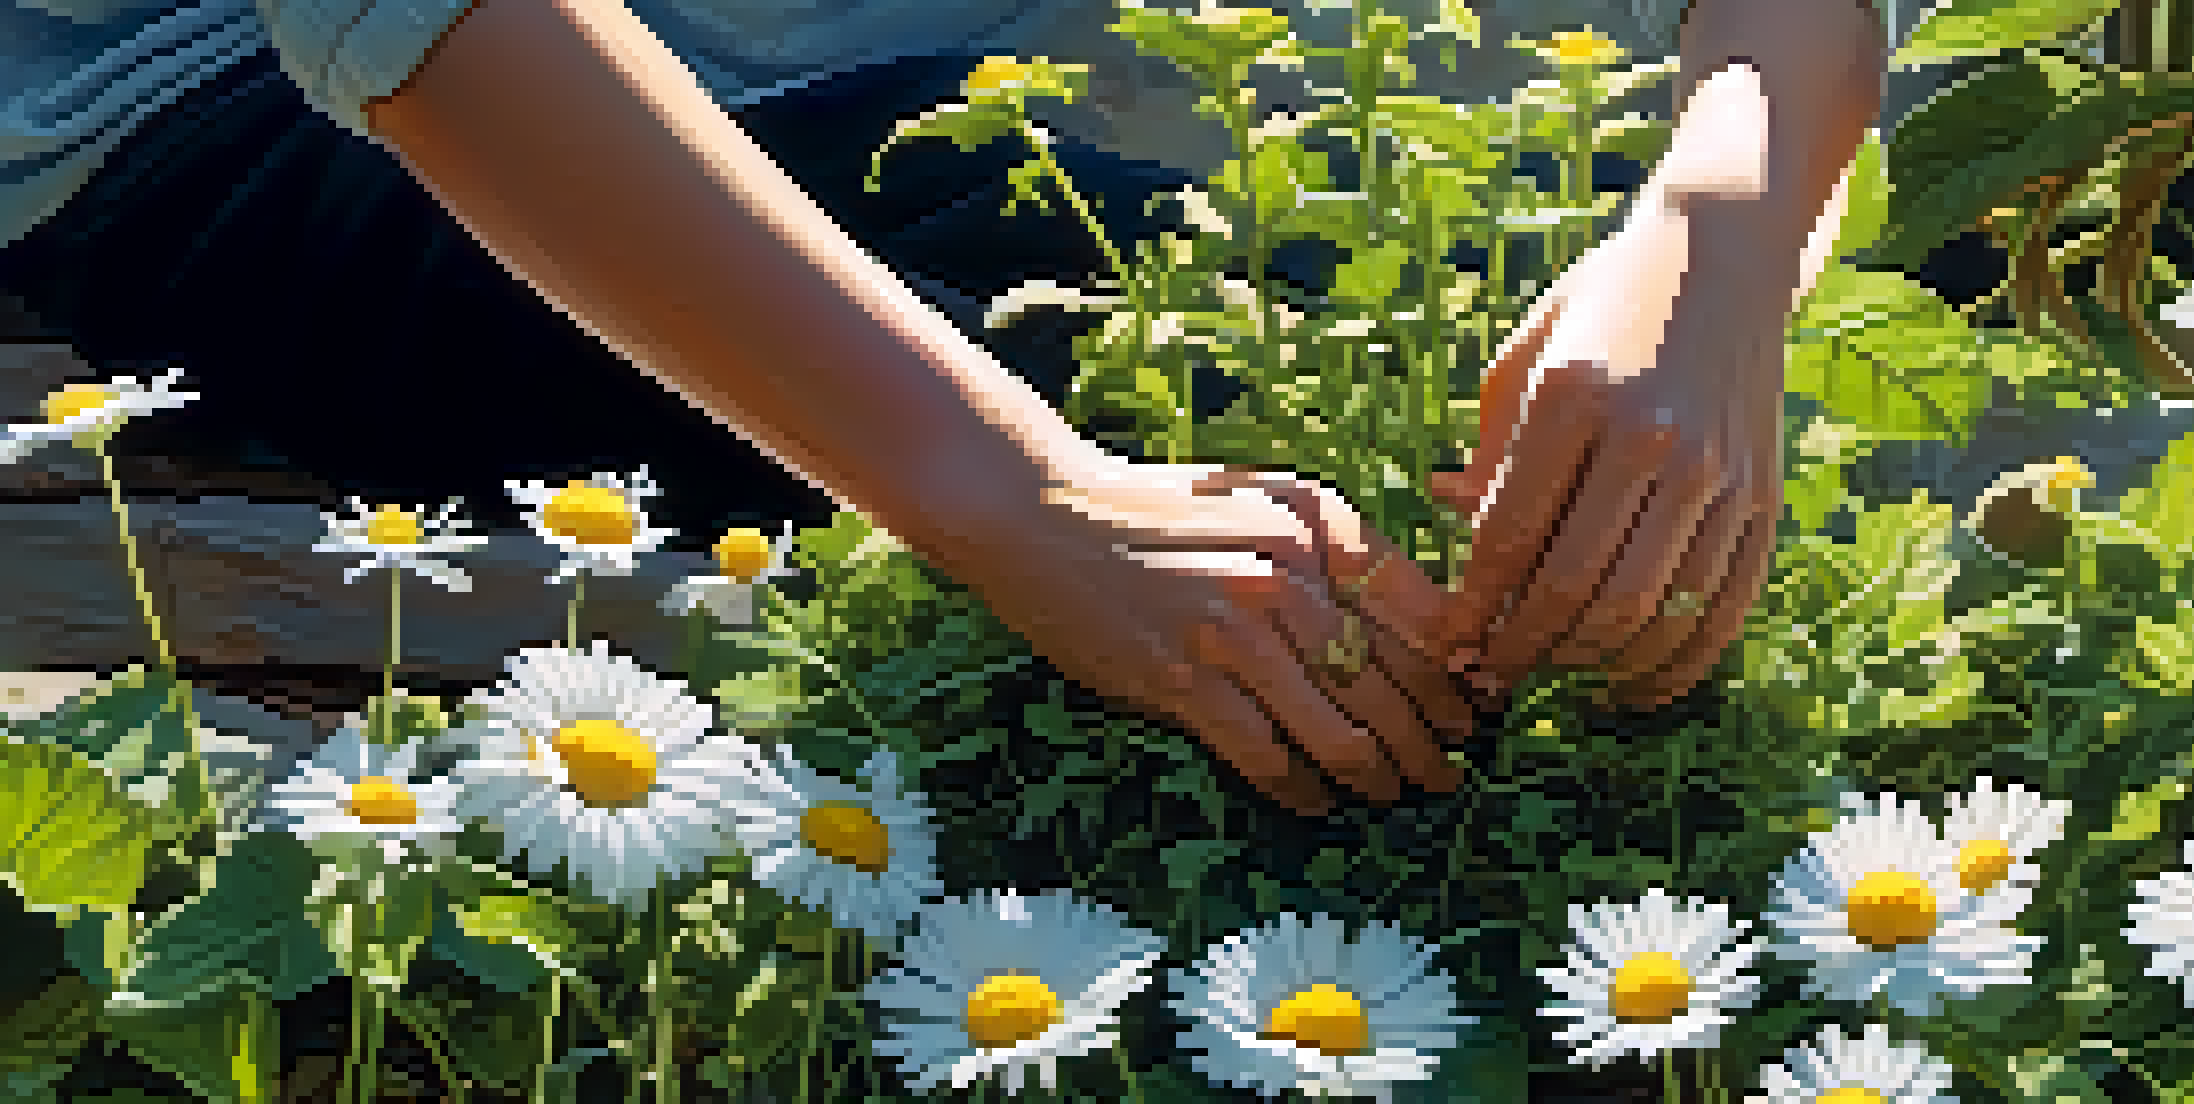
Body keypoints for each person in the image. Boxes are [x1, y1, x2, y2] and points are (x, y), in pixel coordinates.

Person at [0, 0, 1891, 815]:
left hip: (1052, 101)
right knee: (1288, 548)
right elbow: (415, 28)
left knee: (1564, 461)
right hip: (308, 110)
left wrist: (1718, 229)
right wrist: (1022, 495)